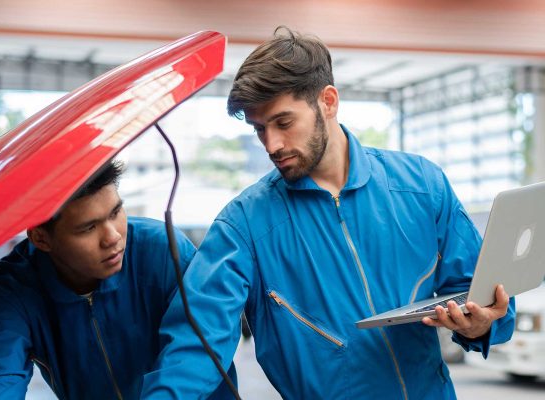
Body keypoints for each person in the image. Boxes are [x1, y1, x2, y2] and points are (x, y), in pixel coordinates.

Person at [142, 27, 516, 399]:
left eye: (283, 123)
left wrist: (479, 325)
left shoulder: (421, 185)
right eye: (259, 129)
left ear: (328, 101)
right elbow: (196, 346)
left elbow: (478, 290)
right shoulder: (243, 226)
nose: (271, 144)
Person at [0, 160, 234, 399]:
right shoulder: (10, 288)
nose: (113, 237)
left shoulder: (162, 250)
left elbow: (199, 348)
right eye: (88, 228)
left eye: (115, 212)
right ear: (41, 237)